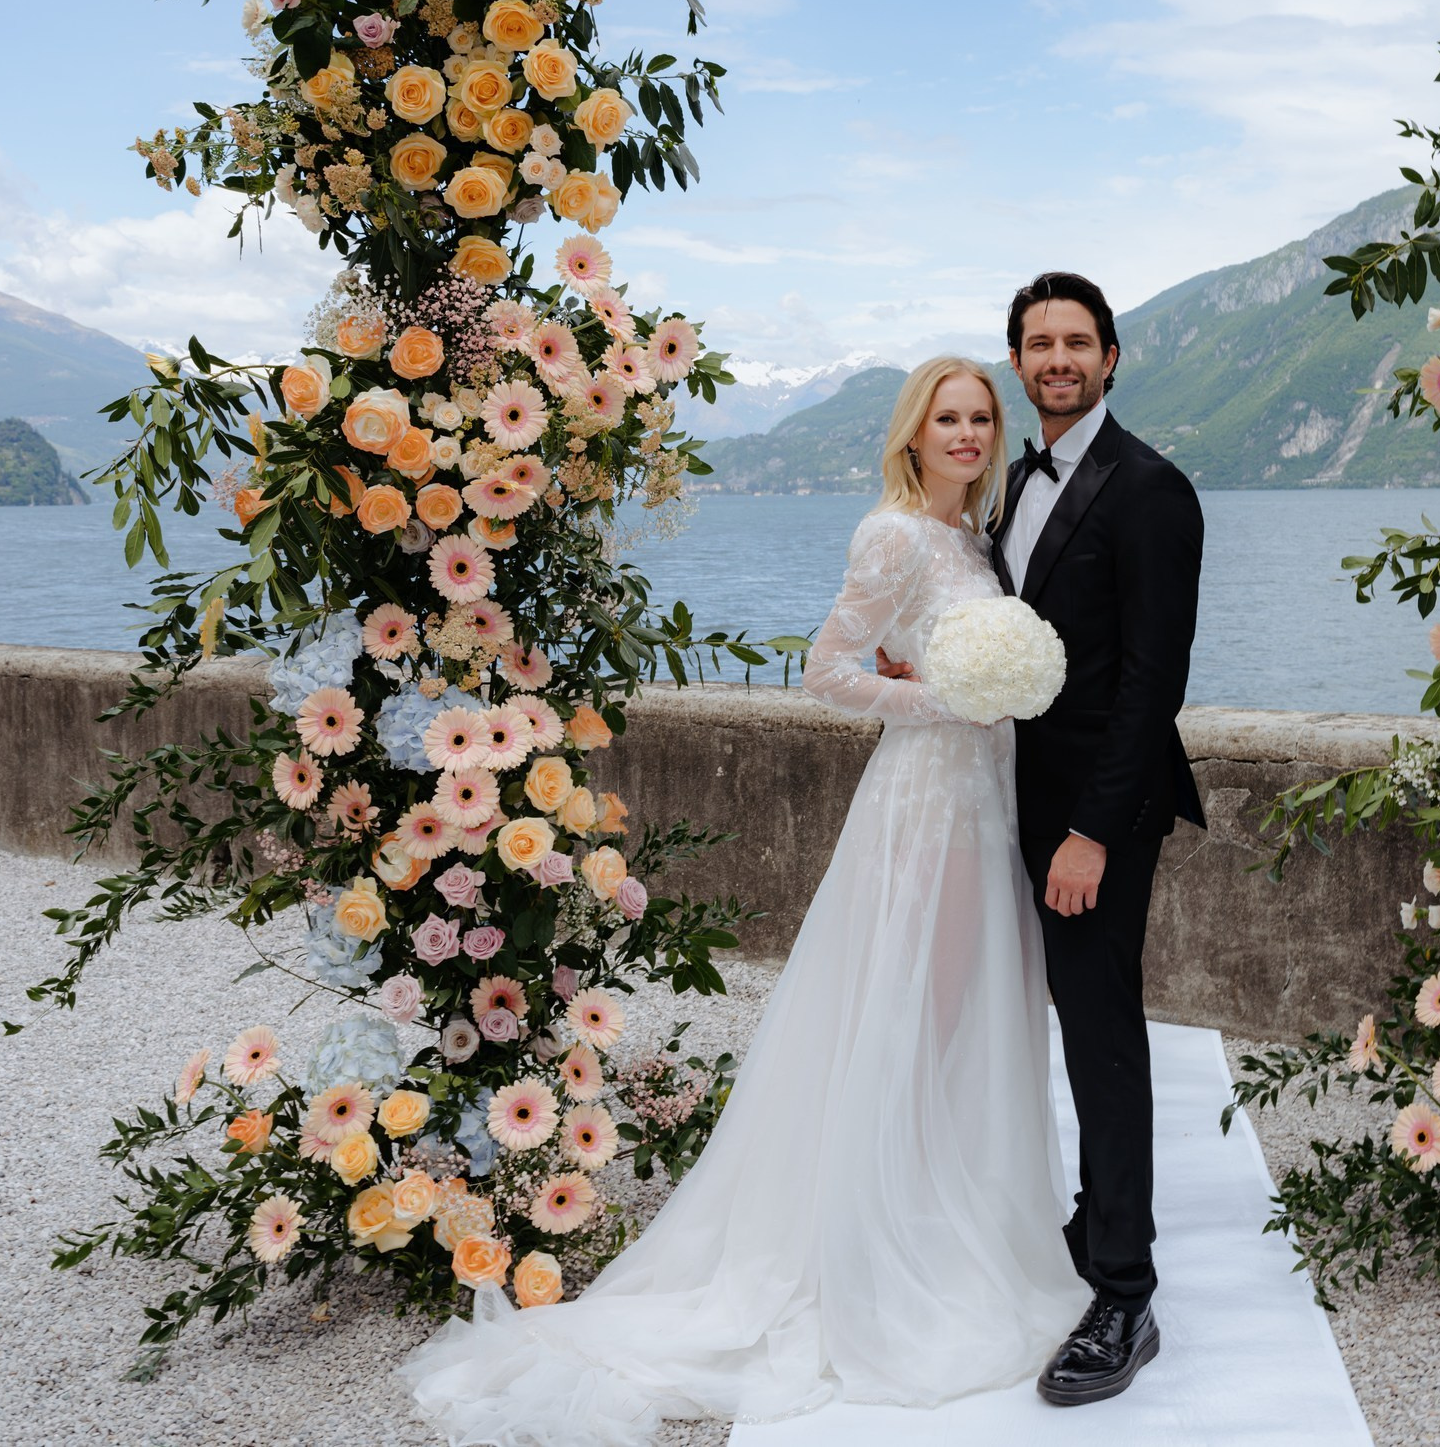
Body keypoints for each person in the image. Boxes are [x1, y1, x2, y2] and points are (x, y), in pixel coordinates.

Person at [403, 355, 1090, 1446]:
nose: (965, 434)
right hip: (925, 799)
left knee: (963, 1013)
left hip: (987, 797)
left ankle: (946, 1211)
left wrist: (985, 698)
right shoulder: (895, 535)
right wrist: (943, 698)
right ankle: (874, 1243)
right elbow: (828, 668)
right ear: (913, 434)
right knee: (905, 1012)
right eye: (946, 418)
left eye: (978, 418)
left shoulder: (974, 539)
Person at [991, 269, 1204, 1405]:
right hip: (1008, 797)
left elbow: (1150, 685)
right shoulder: (1009, 483)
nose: (1059, 359)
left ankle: (1125, 1290)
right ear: (1016, 360)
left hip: (1096, 818)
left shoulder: (1152, 489)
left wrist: (1090, 834)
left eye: (1078, 342)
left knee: (1101, 1037)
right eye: (1040, 343)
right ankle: (1089, 1219)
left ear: (1111, 357)